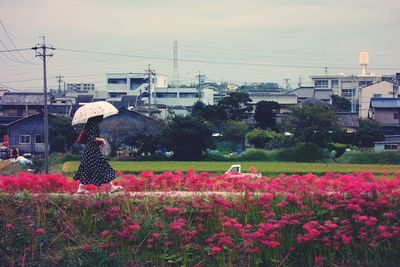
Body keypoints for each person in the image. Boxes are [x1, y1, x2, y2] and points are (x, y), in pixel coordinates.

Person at [73, 115, 122, 194]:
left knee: (88, 168)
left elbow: (91, 138)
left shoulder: (89, 124)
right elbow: (92, 137)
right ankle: (111, 187)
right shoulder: (94, 125)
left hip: (90, 150)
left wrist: (100, 142)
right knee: (103, 166)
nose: (102, 117)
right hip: (92, 151)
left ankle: (81, 188)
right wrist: (102, 139)